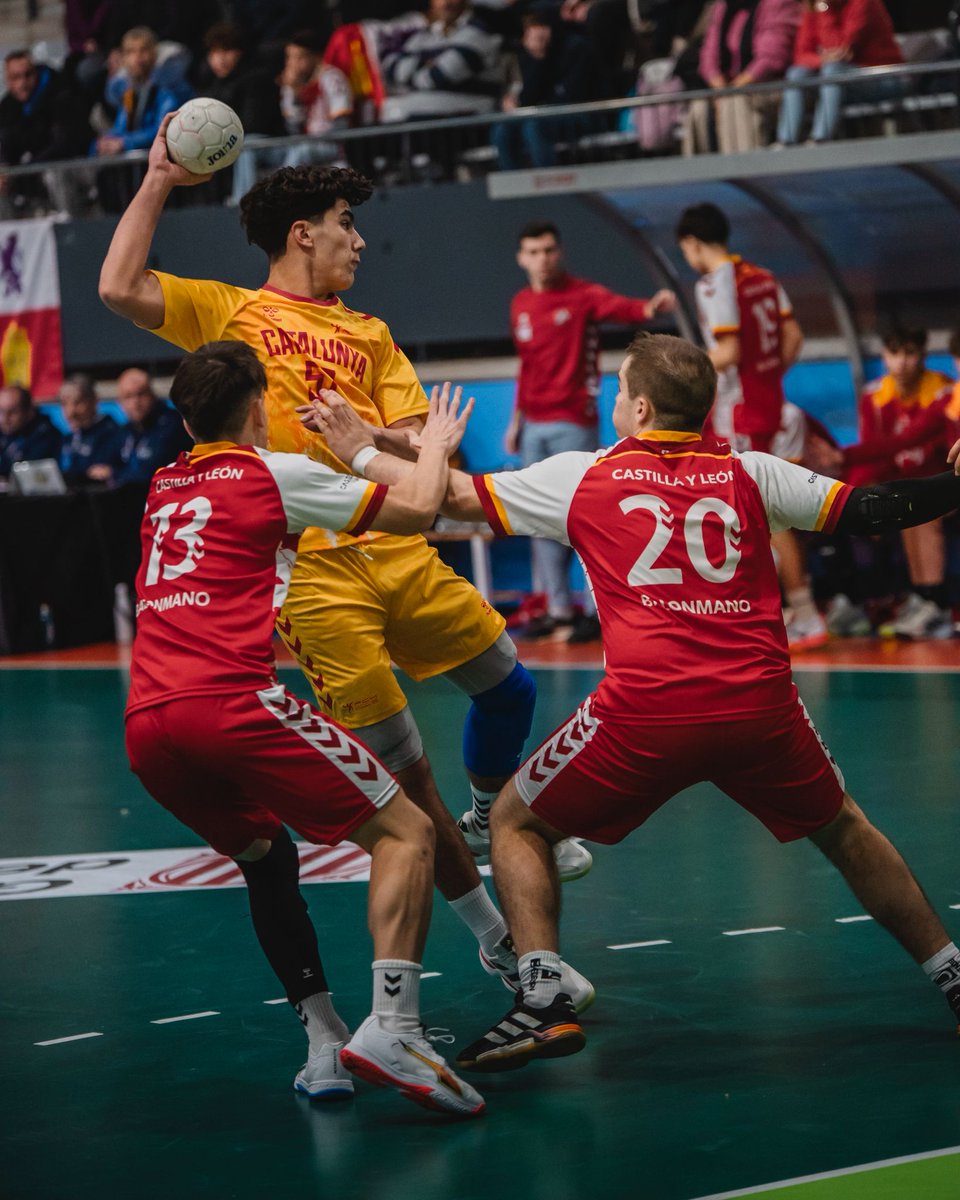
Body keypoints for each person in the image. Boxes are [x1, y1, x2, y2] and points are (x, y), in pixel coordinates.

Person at [361, 331, 960, 1072]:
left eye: (619, 393)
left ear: (639, 407)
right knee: (844, 829)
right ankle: (952, 976)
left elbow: (446, 498)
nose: (615, 403)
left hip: (644, 713)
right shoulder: (752, 471)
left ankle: (543, 999)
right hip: (760, 709)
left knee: (515, 819)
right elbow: (875, 509)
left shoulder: (584, 476)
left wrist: (361, 446)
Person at [97, 122, 595, 1007]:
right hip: (319, 576)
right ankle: (496, 938)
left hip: (397, 540)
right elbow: (118, 285)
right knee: (409, 787)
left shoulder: (368, 331)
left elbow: (411, 429)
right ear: (303, 235)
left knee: (509, 687)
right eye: (344, 223)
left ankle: (491, 813)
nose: (359, 240)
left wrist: (379, 435)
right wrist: (159, 181)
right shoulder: (231, 312)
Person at [123, 342, 486, 1113]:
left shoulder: (163, 485)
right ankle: (394, 1026)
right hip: (229, 702)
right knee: (407, 830)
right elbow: (420, 511)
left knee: (265, 855)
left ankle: (324, 1040)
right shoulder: (269, 471)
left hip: (148, 725)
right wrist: (429, 447)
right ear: (257, 406)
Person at [507, 220, 676, 643]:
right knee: (537, 518)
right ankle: (559, 610)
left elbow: (623, 307)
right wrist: (516, 420)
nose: (542, 259)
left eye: (549, 250)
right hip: (534, 428)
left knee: (584, 517)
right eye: (534, 251)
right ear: (521, 258)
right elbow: (525, 365)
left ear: (559, 253)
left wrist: (650, 309)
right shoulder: (520, 304)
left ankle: (597, 608)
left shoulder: (582, 296)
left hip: (573, 423)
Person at [675, 201, 827, 650]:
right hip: (770, 406)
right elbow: (793, 337)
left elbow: (729, 353)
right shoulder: (763, 276)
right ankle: (791, 611)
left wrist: (677, 366)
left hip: (736, 413)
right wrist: (767, 381)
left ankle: (798, 613)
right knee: (769, 511)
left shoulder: (713, 283)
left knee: (754, 515)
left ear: (692, 243)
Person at [839, 327, 954, 640]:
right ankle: (894, 600)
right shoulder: (874, 396)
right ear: (885, 356)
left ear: (923, 356)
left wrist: (839, 456)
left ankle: (935, 602)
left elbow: (906, 440)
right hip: (907, 486)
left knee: (922, 512)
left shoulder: (945, 393)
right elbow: (877, 453)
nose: (902, 362)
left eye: (910, 353)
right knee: (892, 507)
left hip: (946, 485)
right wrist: (855, 495)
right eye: (894, 353)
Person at [775, 0, 903, 147]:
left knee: (833, 70)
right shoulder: (815, 6)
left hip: (883, 77)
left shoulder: (863, 3)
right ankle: (786, 141)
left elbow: (840, 48)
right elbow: (801, 55)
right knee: (796, 73)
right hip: (842, 80)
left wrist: (824, 10)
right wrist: (822, 59)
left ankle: (820, 139)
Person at [684, 0, 799, 156]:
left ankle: (746, 169)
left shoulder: (778, 3)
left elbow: (772, 58)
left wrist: (730, 91)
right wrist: (721, 90)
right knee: (698, 107)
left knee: (736, 101)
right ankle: (703, 173)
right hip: (730, 88)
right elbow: (708, 58)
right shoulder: (722, 8)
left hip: (773, 86)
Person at [492, 13, 602, 171]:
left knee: (534, 125)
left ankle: (546, 182)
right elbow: (528, 96)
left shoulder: (575, 48)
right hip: (540, 115)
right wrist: (537, 57)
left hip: (577, 114)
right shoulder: (527, 57)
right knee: (502, 129)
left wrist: (539, 56)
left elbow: (570, 94)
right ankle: (512, 182)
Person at [108, 367, 193, 485]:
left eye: (140, 394)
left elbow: (151, 471)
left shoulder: (172, 425)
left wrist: (113, 474)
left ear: (152, 395)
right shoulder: (124, 432)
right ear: (119, 402)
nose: (135, 402)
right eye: (128, 396)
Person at [58, 373, 122, 484]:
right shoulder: (66, 438)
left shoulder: (113, 435)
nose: (70, 412)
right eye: (64, 404)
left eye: (77, 403)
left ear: (94, 401)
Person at [0, 385, 62, 479]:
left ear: (29, 411)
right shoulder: (4, 433)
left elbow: (26, 475)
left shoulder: (46, 436)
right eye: (1, 411)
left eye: (12, 412)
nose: (5, 419)